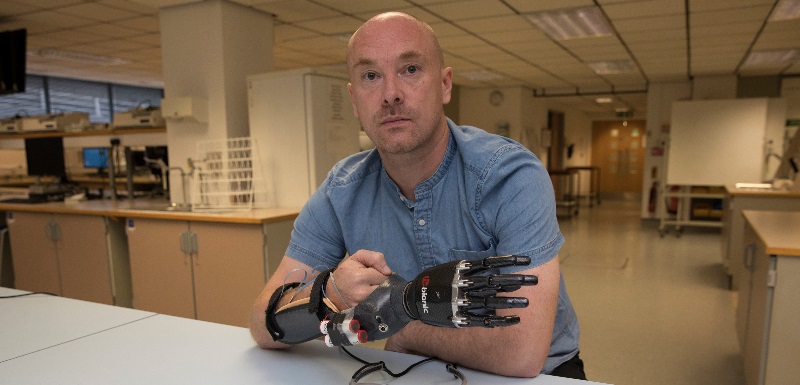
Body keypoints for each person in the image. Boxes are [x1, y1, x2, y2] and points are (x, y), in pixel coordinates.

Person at [249, 11, 584, 379]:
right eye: (370, 76)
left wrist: (401, 325)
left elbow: (522, 353)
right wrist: (328, 294)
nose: (390, 93)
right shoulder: (341, 191)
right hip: (412, 371)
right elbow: (262, 323)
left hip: (539, 377)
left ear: (444, 85)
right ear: (354, 100)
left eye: (410, 69)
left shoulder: (509, 177)